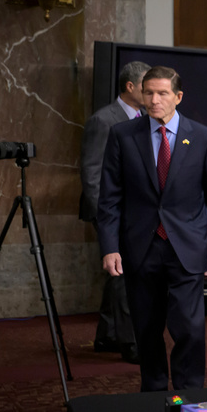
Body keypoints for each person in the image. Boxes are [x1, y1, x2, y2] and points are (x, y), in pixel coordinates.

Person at [97, 66, 207, 391]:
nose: (154, 100)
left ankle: (188, 396)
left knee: (190, 329)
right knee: (146, 328)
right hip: (140, 246)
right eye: (149, 93)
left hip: (188, 246)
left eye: (162, 93)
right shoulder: (123, 135)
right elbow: (109, 198)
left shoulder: (204, 137)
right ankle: (153, 394)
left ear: (178, 97)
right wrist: (109, 246)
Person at [80, 60, 149, 365]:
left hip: (135, 213)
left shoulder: (145, 116)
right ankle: (131, 343)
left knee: (116, 275)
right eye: (147, 86)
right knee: (123, 275)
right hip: (111, 212)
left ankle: (106, 335)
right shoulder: (103, 119)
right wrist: (104, 219)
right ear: (131, 87)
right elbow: (92, 172)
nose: (153, 93)